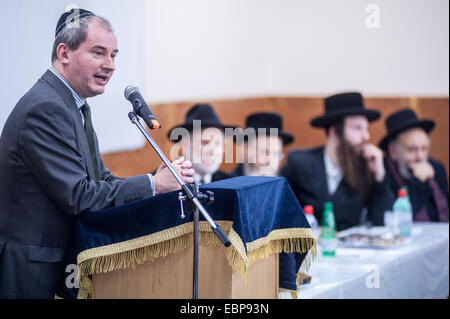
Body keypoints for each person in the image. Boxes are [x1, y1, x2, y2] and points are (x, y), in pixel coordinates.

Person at [0, 9, 194, 298]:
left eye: (114, 55)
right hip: (29, 268)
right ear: (64, 53)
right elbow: (79, 196)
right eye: (99, 53)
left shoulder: (72, 105)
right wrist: (153, 185)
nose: (110, 65)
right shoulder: (46, 108)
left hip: (55, 260)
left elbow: (99, 178)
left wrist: (157, 180)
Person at [280, 92, 394, 231]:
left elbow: (381, 222)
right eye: (357, 128)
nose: (366, 136)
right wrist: (307, 230)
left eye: (366, 128)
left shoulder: (366, 167)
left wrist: (379, 176)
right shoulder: (300, 164)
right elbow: (277, 210)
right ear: (334, 131)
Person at [380, 108, 449, 222]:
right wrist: (418, 182)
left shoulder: (436, 168)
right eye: (412, 149)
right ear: (393, 151)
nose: (420, 157)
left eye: (424, 148)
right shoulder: (383, 174)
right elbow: (396, 218)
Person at [168, 103, 237, 185]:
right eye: (205, 143)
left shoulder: (231, 185)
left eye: (218, 144)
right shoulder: (164, 185)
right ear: (185, 144)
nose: (212, 152)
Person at [230, 112, 294, 177]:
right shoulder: (227, 184)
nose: (269, 161)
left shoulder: (290, 184)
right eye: (264, 152)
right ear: (245, 149)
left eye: (276, 154)